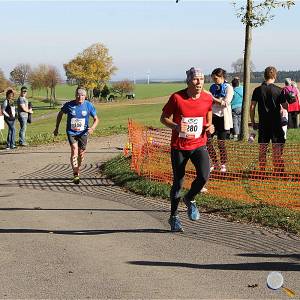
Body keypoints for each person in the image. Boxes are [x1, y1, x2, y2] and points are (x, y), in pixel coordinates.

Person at [160, 67, 214, 232]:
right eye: (195, 79)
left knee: (204, 175)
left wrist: (210, 126)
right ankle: (174, 216)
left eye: (202, 79)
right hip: (179, 147)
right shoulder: (177, 98)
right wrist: (176, 126)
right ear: (188, 81)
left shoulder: (207, 98)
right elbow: (163, 118)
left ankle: (190, 198)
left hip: (199, 144)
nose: (199, 83)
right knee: (179, 182)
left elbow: (208, 113)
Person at [53, 87, 99, 184]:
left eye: (82, 95)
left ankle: (78, 169)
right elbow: (60, 114)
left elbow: (96, 119)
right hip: (71, 132)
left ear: (85, 96)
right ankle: (75, 173)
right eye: (78, 95)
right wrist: (57, 127)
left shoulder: (89, 105)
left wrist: (93, 128)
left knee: (81, 154)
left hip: (83, 133)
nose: (80, 97)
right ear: (75, 95)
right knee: (74, 150)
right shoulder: (69, 105)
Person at [250, 66, 288, 174]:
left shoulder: (257, 90)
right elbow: (285, 106)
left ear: (264, 75)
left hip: (263, 123)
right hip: (276, 123)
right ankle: (278, 171)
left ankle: (262, 171)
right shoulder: (279, 90)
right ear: (275, 75)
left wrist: (253, 121)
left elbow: (252, 107)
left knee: (262, 147)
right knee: (276, 147)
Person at [207, 68, 233, 172]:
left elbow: (226, 103)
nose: (214, 80)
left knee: (221, 143)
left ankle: (223, 164)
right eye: (213, 78)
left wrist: (213, 99)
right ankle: (214, 162)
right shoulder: (212, 87)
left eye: (216, 78)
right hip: (212, 117)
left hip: (223, 118)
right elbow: (209, 101)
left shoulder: (229, 88)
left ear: (221, 77)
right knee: (207, 141)